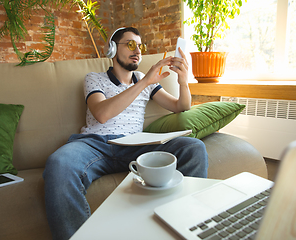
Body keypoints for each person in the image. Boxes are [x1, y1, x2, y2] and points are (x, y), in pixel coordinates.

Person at [43, 27, 208, 240]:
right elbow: (102, 113)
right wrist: (145, 81)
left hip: (135, 146)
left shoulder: (144, 80)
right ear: (112, 48)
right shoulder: (94, 79)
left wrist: (183, 82)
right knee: (59, 163)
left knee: (194, 148)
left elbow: (180, 106)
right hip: (95, 145)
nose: (137, 50)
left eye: (140, 46)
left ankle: (183, 229)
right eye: (130, 44)